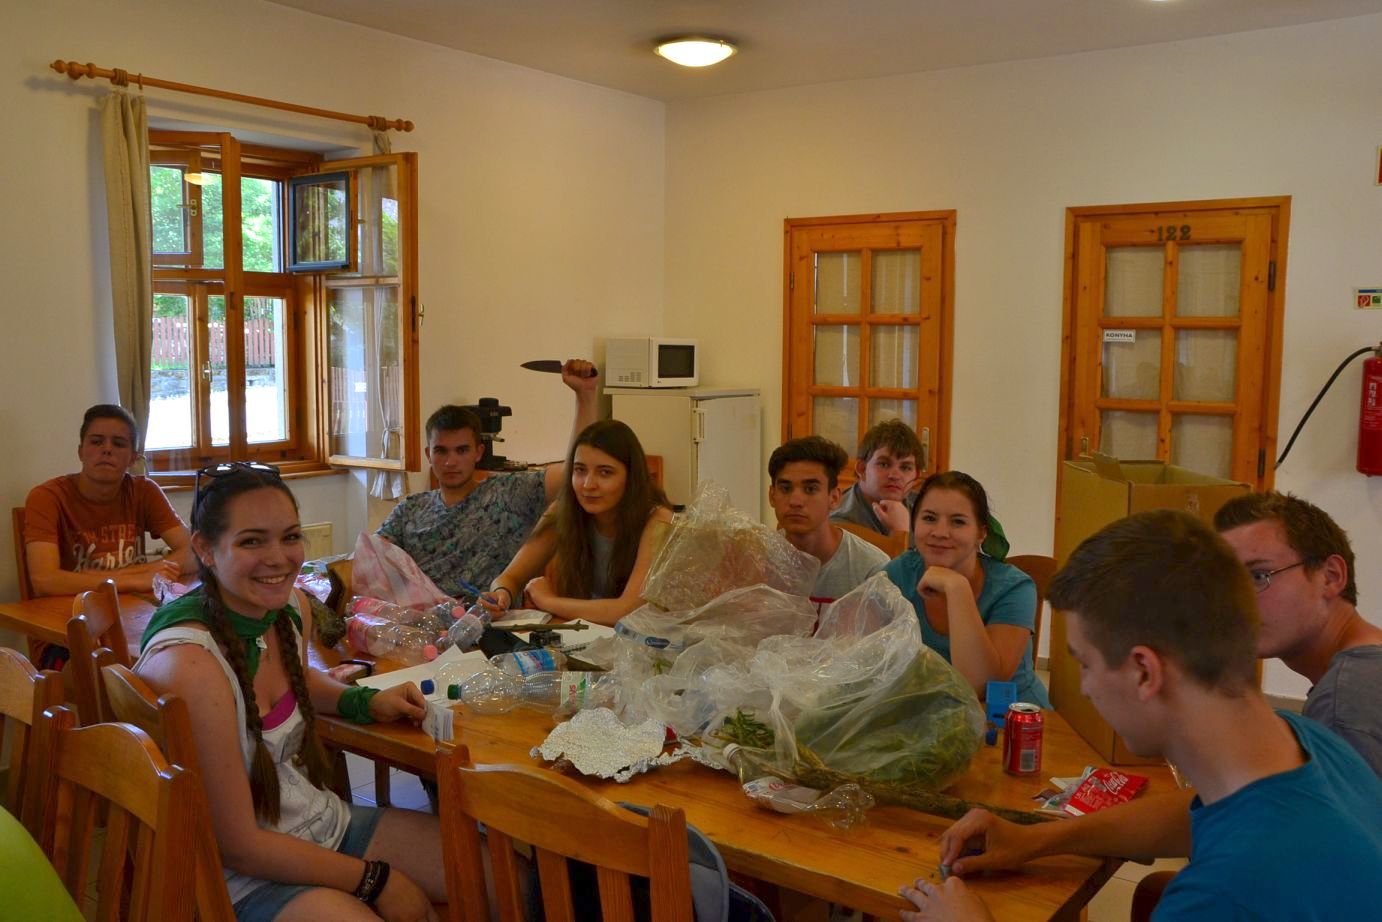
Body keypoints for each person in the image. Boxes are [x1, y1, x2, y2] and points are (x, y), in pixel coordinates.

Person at [902, 511, 1382, 922]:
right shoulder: (1305, 742)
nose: (1085, 688)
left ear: (1144, 671)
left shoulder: (1224, 895)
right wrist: (1036, 838)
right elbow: (1195, 813)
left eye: (1086, 664)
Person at [135, 463, 446, 921]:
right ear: (204, 548)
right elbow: (239, 845)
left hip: (311, 822)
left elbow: (296, 681)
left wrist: (362, 700)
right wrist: (376, 880)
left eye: (290, 537)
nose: (279, 558)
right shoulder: (192, 666)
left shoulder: (290, 609)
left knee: (502, 878)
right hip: (236, 879)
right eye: (251, 541)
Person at [377, 359, 599, 599]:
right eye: (441, 451)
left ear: (478, 452)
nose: (451, 462)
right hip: (419, 616)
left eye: (462, 450)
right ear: (428, 455)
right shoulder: (409, 510)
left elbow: (573, 473)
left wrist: (585, 396)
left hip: (488, 614)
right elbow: (372, 560)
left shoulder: (507, 495)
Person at [1215, 491, 1382, 777]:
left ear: (1330, 576)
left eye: (1258, 576)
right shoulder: (1365, 669)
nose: (1235, 601)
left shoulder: (1344, 703)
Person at [23, 404, 194, 669]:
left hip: (132, 621)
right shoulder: (47, 497)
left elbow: (194, 553)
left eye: (119, 443)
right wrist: (136, 578)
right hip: (67, 634)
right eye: (96, 441)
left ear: (133, 458)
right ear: (80, 451)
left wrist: (134, 576)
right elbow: (44, 580)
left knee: (189, 656)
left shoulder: (144, 491)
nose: (106, 450)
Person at [881, 471, 1047, 707]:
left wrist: (956, 587)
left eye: (958, 522)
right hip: (932, 712)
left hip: (1011, 718)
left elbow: (978, 687)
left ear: (981, 533)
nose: (940, 532)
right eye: (929, 518)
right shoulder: (899, 573)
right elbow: (858, 648)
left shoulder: (1015, 588)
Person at [484, 420, 674, 626]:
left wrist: (547, 600)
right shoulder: (563, 510)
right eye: (580, 470)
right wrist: (501, 594)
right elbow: (510, 577)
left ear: (631, 477)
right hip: (589, 633)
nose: (588, 484)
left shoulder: (659, 519)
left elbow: (628, 611)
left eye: (605, 472)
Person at [768, 436, 889, 602]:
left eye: (810, 489)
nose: (795, 501)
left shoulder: (871, 568)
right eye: (785, 488)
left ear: (834, 498)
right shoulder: (759, 561)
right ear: (772, 496)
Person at [830, 419, 923, 538]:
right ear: (862, 469)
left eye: (905, 467)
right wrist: (900, 532)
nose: (895, 476)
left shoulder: (923, 507)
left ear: (916, 476)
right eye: (884, 464)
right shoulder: (841, 524)